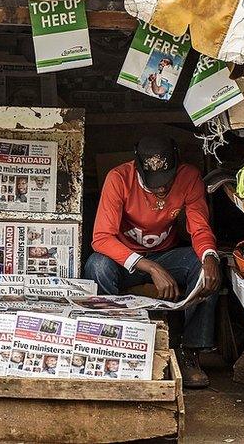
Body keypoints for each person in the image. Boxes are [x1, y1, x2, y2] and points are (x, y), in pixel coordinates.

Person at [83, 135, 221, 388]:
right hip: (125, 260)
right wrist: (150, 267)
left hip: (167, 255)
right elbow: (101, 238)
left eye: (166, 182)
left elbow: (199, 228)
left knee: (205, 269)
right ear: (138, 168)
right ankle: (111, 345)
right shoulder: (119, 178)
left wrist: (210, 256)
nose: (160, 189)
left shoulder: (189, 177)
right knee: (96, 264)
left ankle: (190, 353)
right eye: (153, 183)